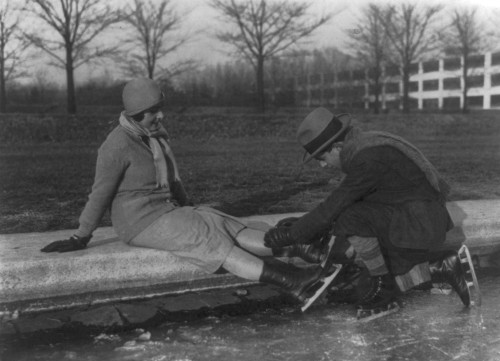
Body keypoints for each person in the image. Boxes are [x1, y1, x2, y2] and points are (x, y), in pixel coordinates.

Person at [41, 77, 324, 304]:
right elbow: (99, 194)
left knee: (219, 221)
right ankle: (294, 281)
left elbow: (173, 180)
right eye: (154, 111)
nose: (161, 115)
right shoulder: (115, 146)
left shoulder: (153, 137)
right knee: (206, 238)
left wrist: (191, 208)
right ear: (138, 115)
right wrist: (80, 235)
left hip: (166, 212)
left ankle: (300, 245)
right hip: (139, 222)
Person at [264, 107, 471, 317]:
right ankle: (441, 266)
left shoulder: (368, 158)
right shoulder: (363, 146)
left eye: (321, 157)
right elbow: (343, 202)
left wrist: (295, 233)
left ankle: (384, 289)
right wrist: (305, 224)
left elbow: (337, 203)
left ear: (336, 147)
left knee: (351, 219)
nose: (323, 165)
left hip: (419, 225)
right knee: (361, 283)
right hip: (415, 218)